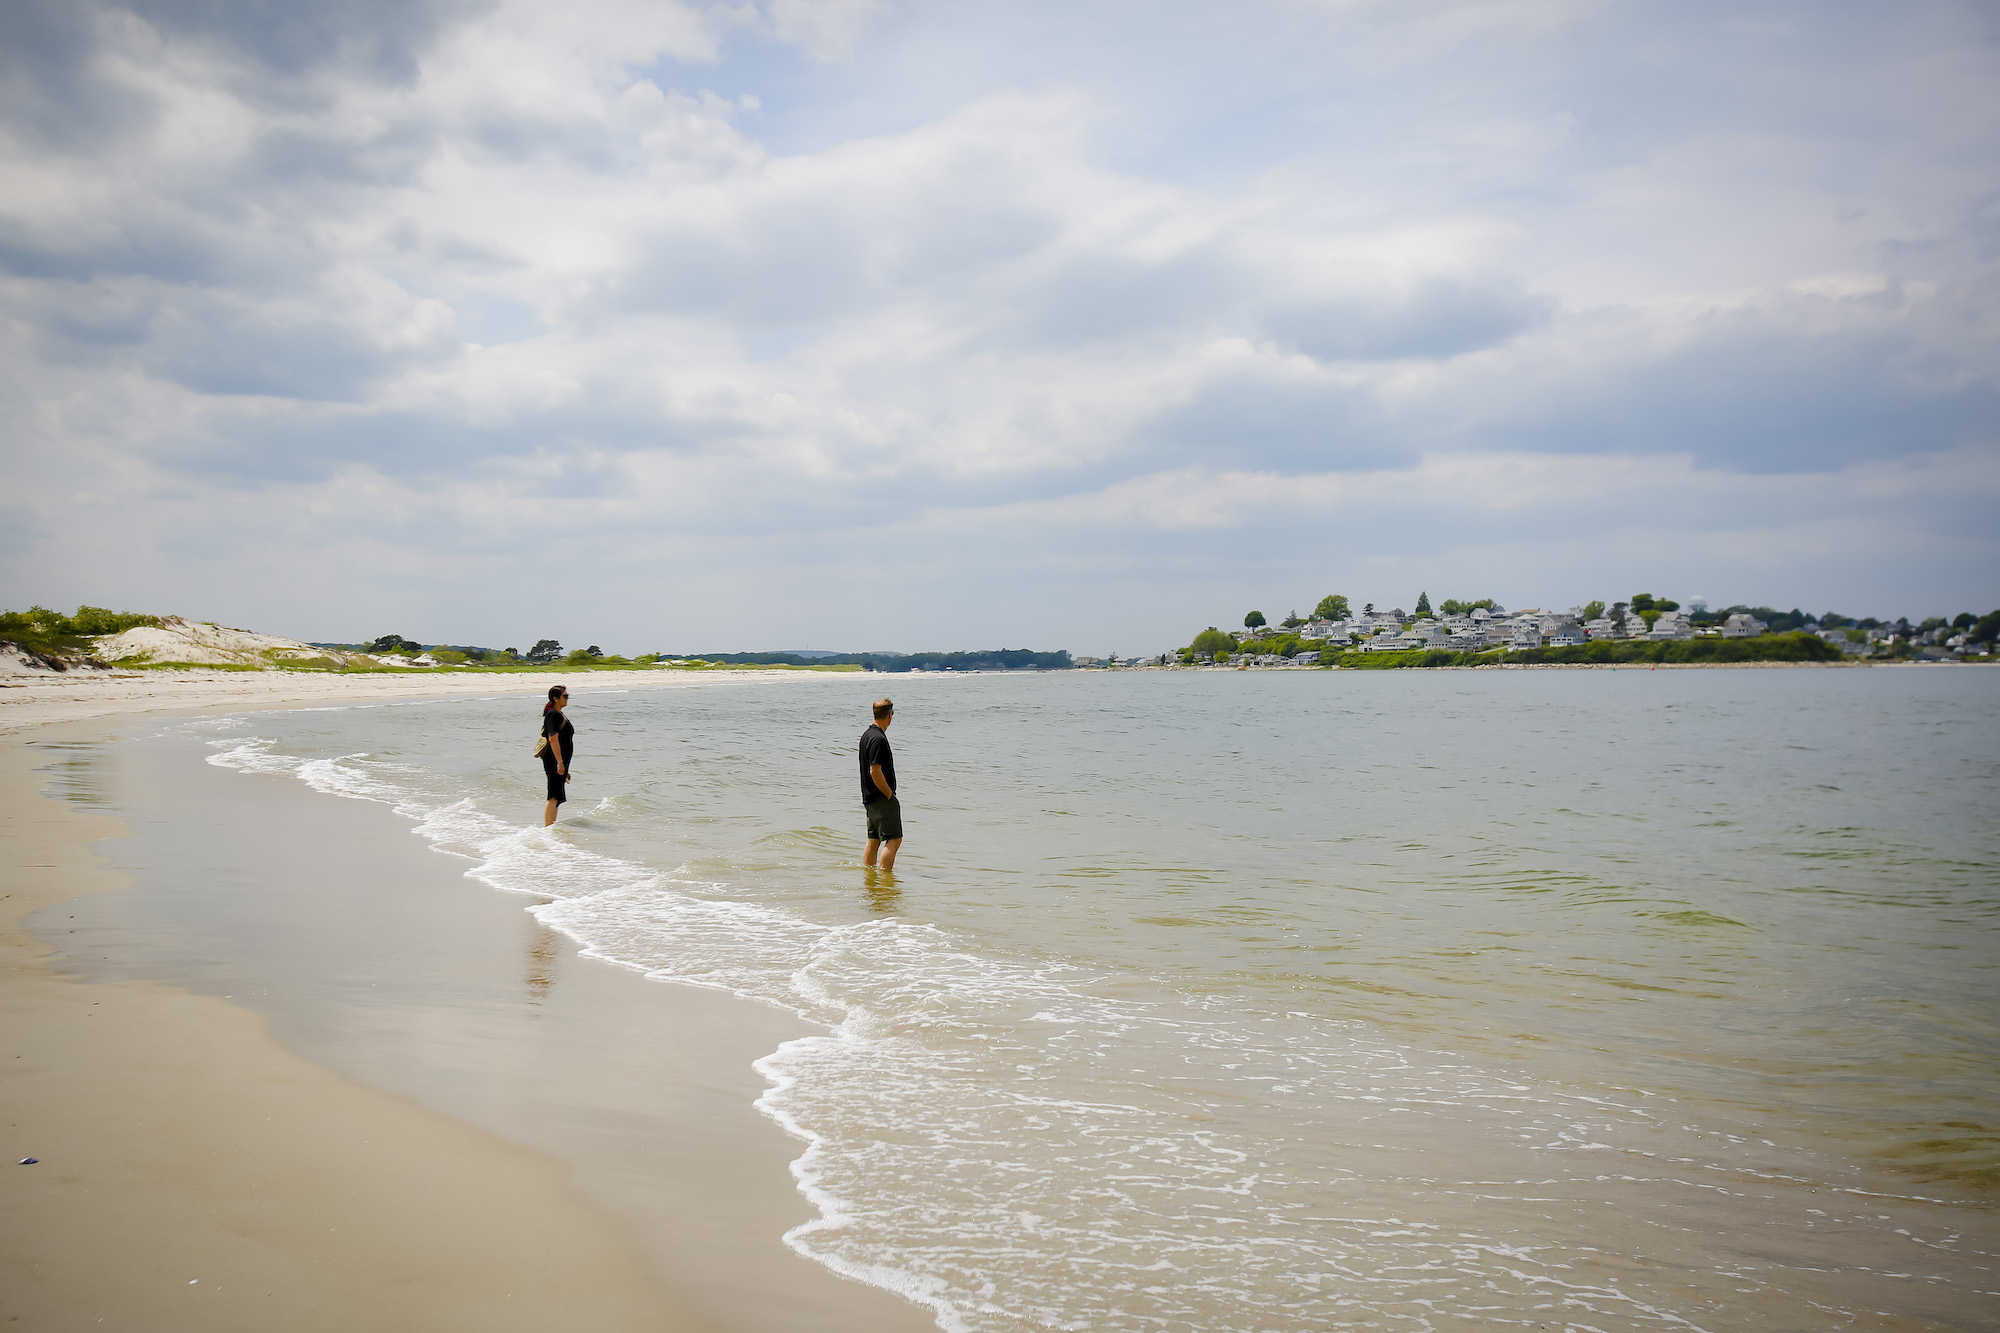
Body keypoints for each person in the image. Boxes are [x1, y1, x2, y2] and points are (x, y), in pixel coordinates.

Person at [859, 697, 901, 871]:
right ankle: (885, 881)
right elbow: (874, 771)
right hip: (881, 798)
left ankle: (869, 878)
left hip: (869, 798)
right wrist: (889, 793)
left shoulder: (866, 735)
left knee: (874, 840)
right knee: (894, 839)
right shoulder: (878, 739)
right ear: (889, 715)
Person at [540, 685, 573, 826]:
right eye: (565, 696)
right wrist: (559, 762)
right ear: (555, 698)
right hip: (553, 759)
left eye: (567, 696)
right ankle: (547, 828)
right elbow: (553, 739)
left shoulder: (558, 714)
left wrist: (565, 767)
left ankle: (551, 826)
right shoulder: (552, 715)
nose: (567, 699)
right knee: (553, 795)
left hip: (559, 761)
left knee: (558, 796)